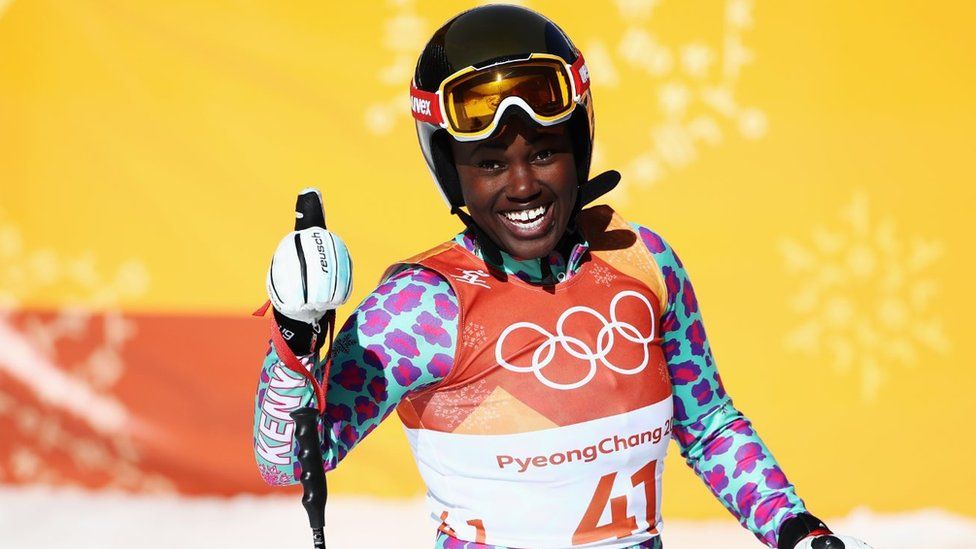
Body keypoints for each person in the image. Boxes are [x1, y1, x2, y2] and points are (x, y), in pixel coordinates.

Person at [253, 5, 871, 549]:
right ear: (452, 173)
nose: (522, 185)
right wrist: (294, 334)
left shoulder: (638, 259)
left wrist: (797, 531)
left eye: (545, 152)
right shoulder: (423, 305)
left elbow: (708, 426)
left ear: (580, 146)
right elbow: (289, 459)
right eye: (490, 164)